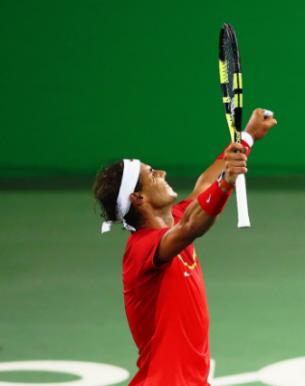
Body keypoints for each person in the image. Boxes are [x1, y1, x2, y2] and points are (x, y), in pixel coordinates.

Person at [93, 109, 277, 385]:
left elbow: (204, 186)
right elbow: (191, 226)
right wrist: (226, 182)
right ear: (138, 197)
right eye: (153, 174)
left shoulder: (177, 217)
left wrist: (248, 137)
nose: (163, 172)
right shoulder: (141, 249)